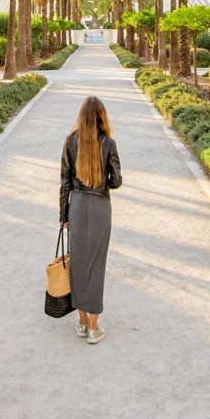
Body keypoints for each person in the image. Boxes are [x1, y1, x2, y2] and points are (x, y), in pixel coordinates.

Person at [59, 95, 123, 344]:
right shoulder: (108, 143)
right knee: (96, 265)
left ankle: (83, 322)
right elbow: (116, 181)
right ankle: (95, 328)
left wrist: (63, 217)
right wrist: (102, 182)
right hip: (99, 207)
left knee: (78, 263)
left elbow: (64, 183)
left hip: (76, 205)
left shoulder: (69, 142)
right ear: (101, 116)